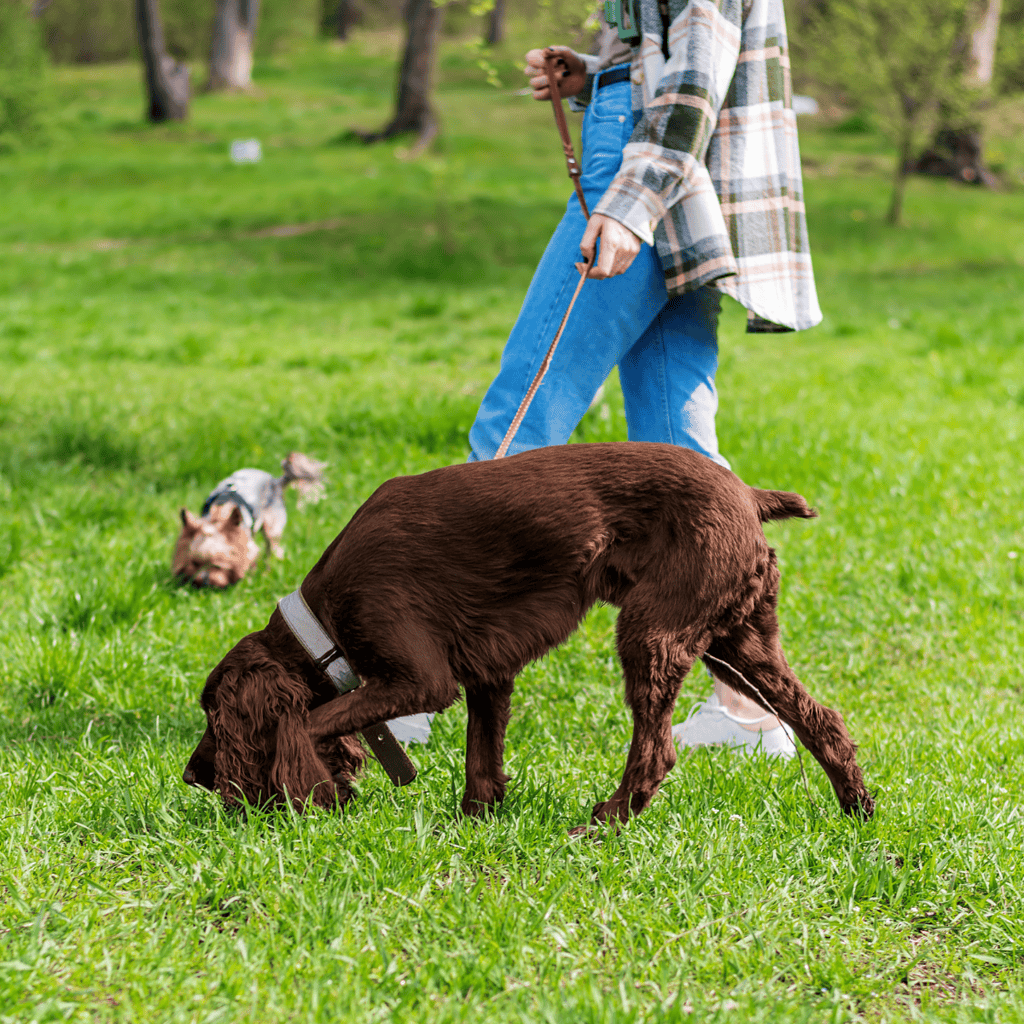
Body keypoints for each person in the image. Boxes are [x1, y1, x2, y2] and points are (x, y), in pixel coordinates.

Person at [389, 0, 821, 756]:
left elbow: (692, 79)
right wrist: (596, 73)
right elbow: (673, 52)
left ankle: (420, 680)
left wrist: (630, 206)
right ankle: (751, 708)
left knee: (517, 428)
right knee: (684, 464)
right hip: (676, 191)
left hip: (644, 177)